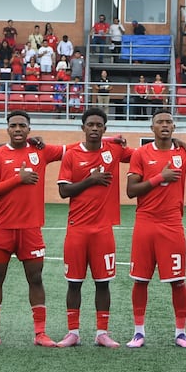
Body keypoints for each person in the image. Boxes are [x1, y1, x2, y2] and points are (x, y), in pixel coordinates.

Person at [126, 111, 186, 348]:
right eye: (160, 122)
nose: (164, 125)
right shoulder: (140, 154)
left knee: (178, 281)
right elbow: (131, 190)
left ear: (174, 127)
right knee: (140, 280)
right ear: (152, 127)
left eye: (168, 122)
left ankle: (181, 333)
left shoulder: (184, 153)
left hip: (172, 225)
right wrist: (160, 177)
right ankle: (138, 332)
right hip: (145, 223)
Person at [0, 111, 63, 348]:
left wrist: (111, 140)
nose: (18, 129)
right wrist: (19, 179)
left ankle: (40, 334)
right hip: (2, 227)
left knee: (35, 278)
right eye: (13, 125)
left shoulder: (41, 151)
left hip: (30, 228)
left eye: (22, 126)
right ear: (7, 129)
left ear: (29, 129)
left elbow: (77, 147)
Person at [56, 109, 133, 348]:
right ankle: (73, 332)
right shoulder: (72, 155)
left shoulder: (114, 151)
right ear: (83, 128)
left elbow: (146, 153)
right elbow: (63, 191)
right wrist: (90, 180)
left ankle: (102, 332)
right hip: (77, 229)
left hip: (103, 230)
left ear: (105, 129)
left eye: (99, 125)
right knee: (74, 282)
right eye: (90, 124)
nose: (95, 128)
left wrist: (176, 142)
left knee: (103, 282)